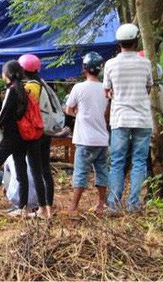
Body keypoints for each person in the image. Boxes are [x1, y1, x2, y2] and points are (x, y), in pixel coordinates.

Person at [0, 60, 49, 219]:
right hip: (22, 138)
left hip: (10, 138)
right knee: (21, 172)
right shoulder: (23, 89)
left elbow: (3, 115)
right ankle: (22, 207)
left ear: (6, 74)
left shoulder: (12, 91)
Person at [104, 23, 153, 213]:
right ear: (136, 41)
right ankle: (134, 204)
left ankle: (114, 204)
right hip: (142, 118)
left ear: (119, 43)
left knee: (117, 161)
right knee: (139, 161)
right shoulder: (145, 63)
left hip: (120, 119)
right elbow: (148, 88)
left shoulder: (111, 64)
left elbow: (107, 91)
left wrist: (114, 95)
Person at [64, 52, 109, 215]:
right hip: (102, 138)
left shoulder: (78, 87)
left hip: (85, 139)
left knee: (81, 171)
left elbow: (69, 109)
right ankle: (101, 204)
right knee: (102, 170)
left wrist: (78, 112)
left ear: (84, 69)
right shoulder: (105, 88)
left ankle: (74, 206)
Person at [19, 53, 55, 217]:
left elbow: (26, 107)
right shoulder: (43, 84)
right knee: (45, 169)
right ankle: (49, 206)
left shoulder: (31, 87)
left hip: (37, 132)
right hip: (46, 130)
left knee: (36, 170)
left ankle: (42, 209)